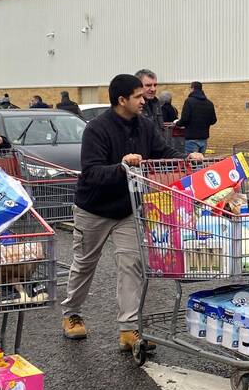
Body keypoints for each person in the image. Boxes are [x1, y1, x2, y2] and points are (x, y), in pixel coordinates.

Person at [62, 73, 201, 352]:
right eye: (138, 96)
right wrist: (121, 165)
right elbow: (91, 172)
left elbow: (163, 152)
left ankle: (128, 329)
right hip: (94, 208)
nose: (144, 99)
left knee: (132, 264)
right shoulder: (97, 130)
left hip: (127, 208)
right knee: (85, 263)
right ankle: (71, 313)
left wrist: (186, 160)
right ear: (121, 100)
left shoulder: (145, 126)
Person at [177, 81, 217, 154]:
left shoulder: (189, 101)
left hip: (191, 139)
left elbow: (184, 119)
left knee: (191, 163)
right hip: (204, 138)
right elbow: (213, 120)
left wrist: (177, 123)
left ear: (192, 89)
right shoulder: (209, 103)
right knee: (200, 163)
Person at [135, 69, 166, 136]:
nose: (153, 89)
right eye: (148, 85)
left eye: (155, 85)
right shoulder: (132, 107)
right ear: (137, 86)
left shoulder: (156, 103)